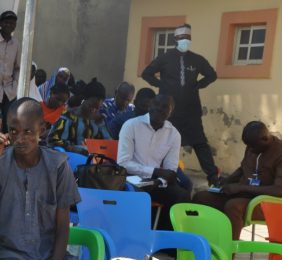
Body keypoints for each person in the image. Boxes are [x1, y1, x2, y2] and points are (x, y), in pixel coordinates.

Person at [0, 98, 85, 260]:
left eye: (27, 131)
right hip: (12, 258)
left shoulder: (58, 165)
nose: (20, 139)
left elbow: (62, 228)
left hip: (52, 258)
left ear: (42, 130)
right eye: (13, 131)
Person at [142, 23, 221, 186]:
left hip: (191, 109)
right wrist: (162, 86)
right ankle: (160, 173)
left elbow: (212, 75)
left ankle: (213, 177)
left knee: (199, 142)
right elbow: (146, 73)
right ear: (175, 39)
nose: (185, 40)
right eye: (182, 37)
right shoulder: (164, 58)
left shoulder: (197, 59)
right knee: (165, 141)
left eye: (188, 37)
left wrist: (199, 85)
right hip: (168, 110)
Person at [193, 121, 282, 240]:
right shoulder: (253, 145)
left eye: (252, 146)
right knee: (201, 197)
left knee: (233, 206)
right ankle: (204, 243)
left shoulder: (279, 152)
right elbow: (243, 169)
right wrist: (226, 181)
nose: (250, 149)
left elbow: (279, 190)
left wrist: (241, 187)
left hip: (267, 203)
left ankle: (229, 249)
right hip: (244, 195)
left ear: (265, 139)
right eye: (248, 145)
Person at [117, 94, 190, 230]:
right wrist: (155, 171)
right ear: (150, 105)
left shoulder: (174, 134)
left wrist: (159, 180)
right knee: (139, 197)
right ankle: (138, 235)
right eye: (156, 104)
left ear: (171, 112)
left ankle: (165, 238)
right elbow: (123, 163)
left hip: (155, 182)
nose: (159, 109)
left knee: (181, 196)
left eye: (165, 107)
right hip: (129, 179)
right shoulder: (131, 125)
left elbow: (170, 170)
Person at [46, 78, 110, 153]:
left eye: (97, 108)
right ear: (84, 100)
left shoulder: (98, 121)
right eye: (91, 106)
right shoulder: (68, 116)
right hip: (69, 157)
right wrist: (74, 149)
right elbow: (53, 140)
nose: (93, 111)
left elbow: (107, 143)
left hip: (91, 158)